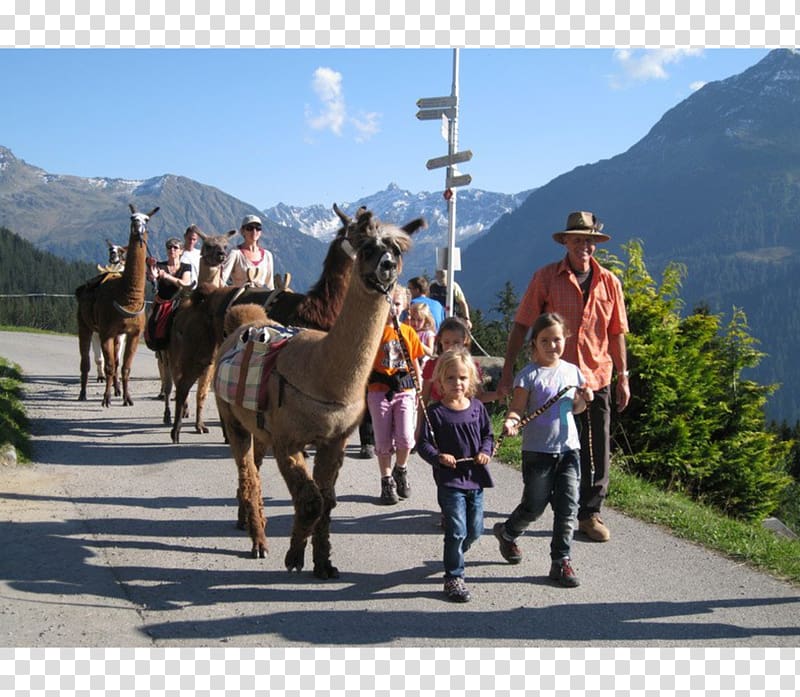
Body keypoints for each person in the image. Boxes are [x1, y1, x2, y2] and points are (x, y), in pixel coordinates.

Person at [497, 211, 630, 543]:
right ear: (566, 242)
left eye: (589, 241)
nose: (584, 246)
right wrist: (508, 369)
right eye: (577, 240)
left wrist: (624, 375)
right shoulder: (546, 278)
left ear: (596, 244)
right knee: (558, 442)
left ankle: (589, 513)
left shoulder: (610, 282)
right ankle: (550, 499)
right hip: (555, 383)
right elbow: (523, 324)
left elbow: (617, 333)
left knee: (597, 446)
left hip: (597, 376)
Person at [493, 312, 593, 587]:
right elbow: (517, 409)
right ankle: (508, 532)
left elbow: (576, 409)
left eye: (557, 339)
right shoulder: (529, 376)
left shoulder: (572, 371)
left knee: (567, 507)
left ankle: (561, 561)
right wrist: (512, 423)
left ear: (566, 339)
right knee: (534, 506)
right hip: (538, 452)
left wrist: (584, 399)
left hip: (569, 450)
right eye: (545, 340)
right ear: (534, 343)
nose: (552, 345)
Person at [416, 347, 494, 603]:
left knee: (475, 530)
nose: (457, 383)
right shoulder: (435, 413)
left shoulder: (478, 409)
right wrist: (439, 457)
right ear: (440, 381)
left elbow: (487, 436)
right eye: (450, 378)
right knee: (457, 530)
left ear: (471, 379)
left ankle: (456, 552)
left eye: (462, 378)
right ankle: (454, 576)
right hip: (450, 482)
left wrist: (485, 451)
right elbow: (423, 445)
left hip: (476, 479)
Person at [367, 284, 426, 505]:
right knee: (382, 441)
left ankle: (401, 469)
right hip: (379, 390)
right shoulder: (374, 331)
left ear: (405, 306)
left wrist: (420, 390)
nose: (392, 307)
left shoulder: (409, 333)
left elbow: (415, 364)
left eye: (397, 303)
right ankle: (387, 480)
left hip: (405, 389)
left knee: (406, 437)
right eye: (388, 302)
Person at [422, 317, 499, 406]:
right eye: (447, 342)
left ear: (464, 340)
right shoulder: (432, 366)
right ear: (440, 340)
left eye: (456, 343)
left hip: (465, 414)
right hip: (438, 415)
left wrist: (499, 394)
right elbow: (424, 398)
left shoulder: (470, 366)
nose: (451, 347)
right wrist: (420, 419)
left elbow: (479, 396)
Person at [221, 214, 275, 289]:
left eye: (258, 228)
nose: (254, 231)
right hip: (241, 298)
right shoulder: (235, 253)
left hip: (262, 296)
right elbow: (222, 278)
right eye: (250, 228)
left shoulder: (267, 255)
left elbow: (270, 283)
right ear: (242, 231)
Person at [180, 224, 202, 289]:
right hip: (181, 289)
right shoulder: (178, 253)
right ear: (185, 237)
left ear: (197, 240)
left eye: (194, 239)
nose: (191, 241)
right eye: (189, 239)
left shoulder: (200, 255)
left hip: (196, 289)